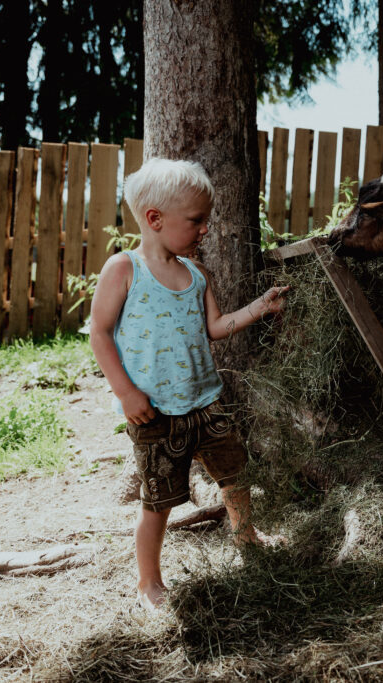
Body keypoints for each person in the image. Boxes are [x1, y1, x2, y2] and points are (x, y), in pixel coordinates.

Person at [89, 158, 289, 610]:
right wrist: (125, 393)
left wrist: (259, 307)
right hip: (154, 413)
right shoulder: (123, 269)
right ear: (155, 218)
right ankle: (148, 582)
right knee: (157, 502)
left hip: (206, 402)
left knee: (236, 475)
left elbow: (215, 327)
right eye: (196, 220)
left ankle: (247, 537)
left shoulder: (197, 274)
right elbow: (99, 333)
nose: (205, 229)